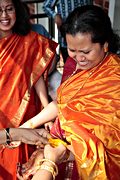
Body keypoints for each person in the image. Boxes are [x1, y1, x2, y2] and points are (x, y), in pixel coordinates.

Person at [18, 5, 120, 179]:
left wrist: (54, 158)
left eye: (86, 52)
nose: (78, 58)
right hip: (58, 154)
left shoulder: (114, 79)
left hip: (81, 164)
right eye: (72, 50)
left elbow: (109, 144)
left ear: (105, 45)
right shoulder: (75, 66)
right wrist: (26, 126)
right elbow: (62, 103)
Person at [0, 0, 57, 179]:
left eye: (9, 9)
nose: (4, 16)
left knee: (18, 156)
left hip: (24, 109)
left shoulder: (30, 40)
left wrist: (46, 106)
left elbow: (37, 75)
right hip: (2, 110)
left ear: (17, 11)